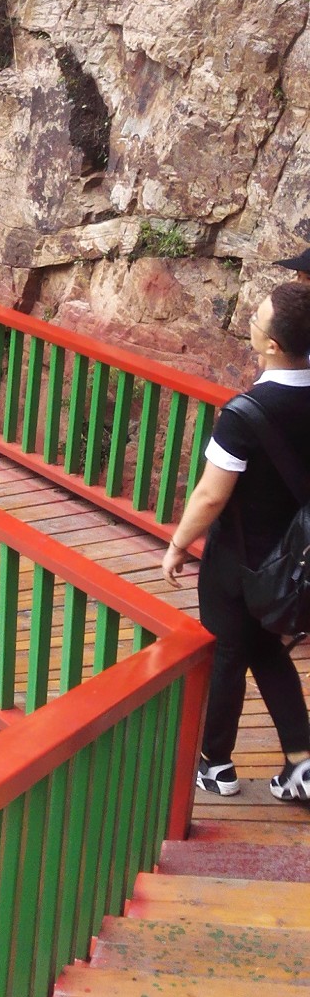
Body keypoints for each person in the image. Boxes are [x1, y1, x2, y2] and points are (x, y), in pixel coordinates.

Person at [164, 280, 310, 804]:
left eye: (259, 315)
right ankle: (301, 760)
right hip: (296, 563)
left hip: (240, 559)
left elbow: (209, 496)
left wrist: (179, 543)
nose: (252, 318)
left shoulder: (245, 413)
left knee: (227, 651)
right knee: (267, 648)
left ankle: (215, 764)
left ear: (272, 344)